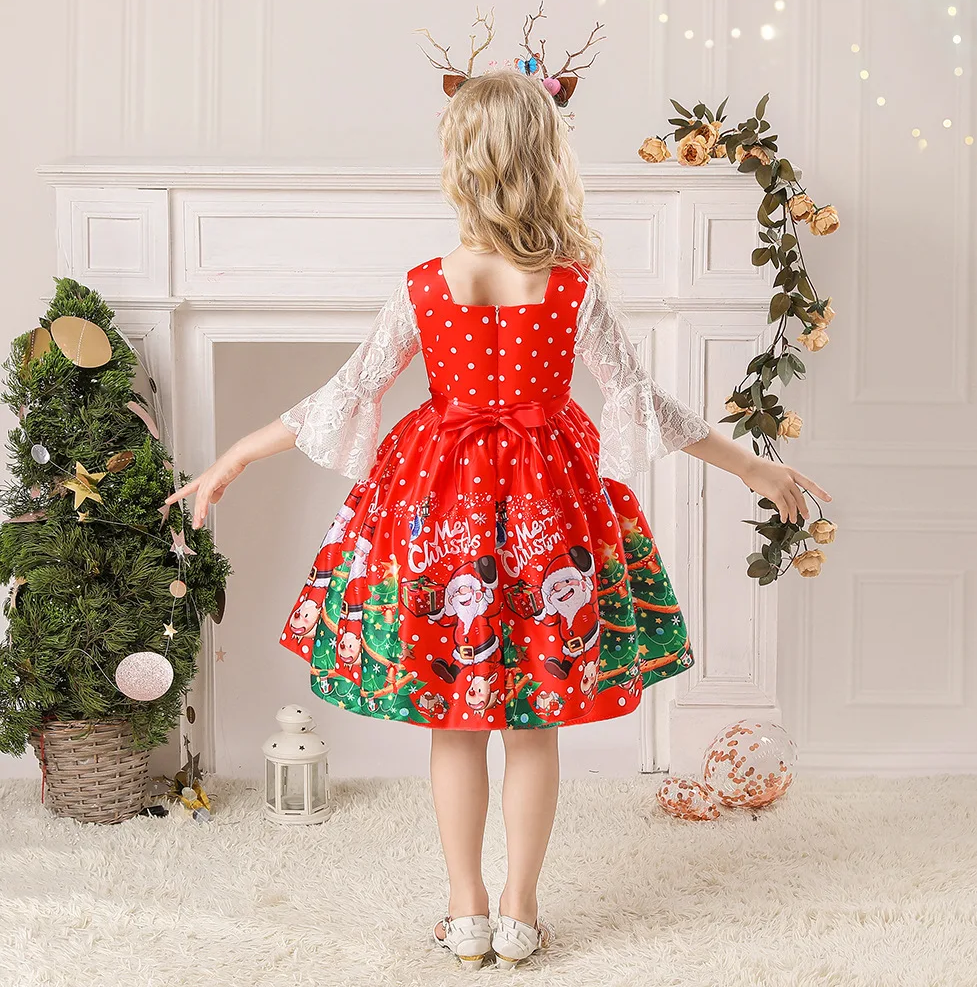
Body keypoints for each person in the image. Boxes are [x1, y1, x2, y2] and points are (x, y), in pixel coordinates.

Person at [164, 69, 831, 972]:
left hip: (442, 510)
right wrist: (752, 463)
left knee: (457, 721)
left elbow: (345, 393)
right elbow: (644, 403)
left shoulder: (426, 286)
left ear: (460, 165)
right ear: (544, 160)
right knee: (532, 723)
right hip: (550, 506)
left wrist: (235, 457)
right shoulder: (570, 287)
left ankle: (466, 910)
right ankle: (520, 912)